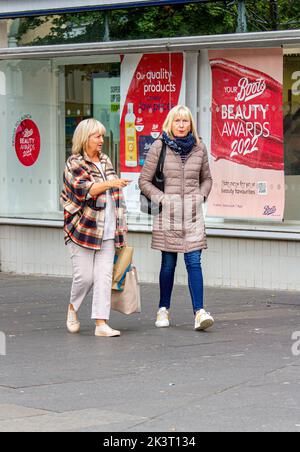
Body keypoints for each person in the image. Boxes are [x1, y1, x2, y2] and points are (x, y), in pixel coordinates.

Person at [139, 105, 214, 331]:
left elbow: (207, 179)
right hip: (168, 215)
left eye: (185, 121)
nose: (181, 125)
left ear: (190, 124)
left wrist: (200, 196)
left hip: (192, 215)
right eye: (177, 121)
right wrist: (162, 199)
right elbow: (144, 181)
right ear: (170, 124)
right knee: (168, 264)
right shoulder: (158, 147)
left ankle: (199, 312)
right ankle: (163, 308)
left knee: (194, 262)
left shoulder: (199, 148)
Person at [60, 118, 131, 337]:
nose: (102, 140)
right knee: (85, 277)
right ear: (85, 138)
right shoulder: (74, 163)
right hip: (83, 229)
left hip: (108, 229)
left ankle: (101, 323)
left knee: (103, 277)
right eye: (97, 136)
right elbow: (85, 190)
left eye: (102, 136)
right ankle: (73, 308)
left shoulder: (106, 160)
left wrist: (122, 226)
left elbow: (116, 196)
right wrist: (111, 183)